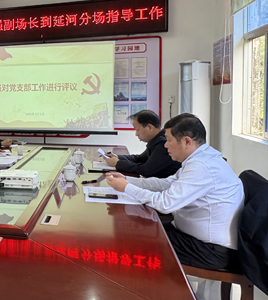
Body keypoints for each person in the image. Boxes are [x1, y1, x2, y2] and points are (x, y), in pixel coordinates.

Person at [106, 113, 244, 270]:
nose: (165, 145)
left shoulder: (202, 166)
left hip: (209, 249)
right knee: (138, 229)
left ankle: (147, 285)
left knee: (134, 242)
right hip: (190, 236)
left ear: (186, 141)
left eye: (169, 140)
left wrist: (126, 188)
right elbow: (166, 183)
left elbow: (165, 204)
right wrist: (128, 180)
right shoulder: (199, 159)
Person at [104, 110, 181, 178]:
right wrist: (117, 157)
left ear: (150, 127)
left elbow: (146, 170)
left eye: (137, 129)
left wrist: (118, 163)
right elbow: (139, 159)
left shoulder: (163, 144)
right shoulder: (156, 141)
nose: (136, 134)